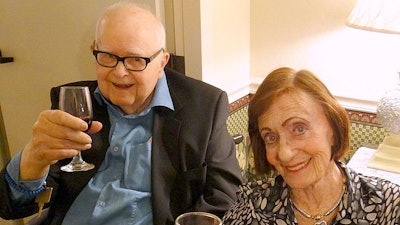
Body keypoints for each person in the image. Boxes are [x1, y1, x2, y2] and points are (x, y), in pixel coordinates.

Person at [0, 2, 242, 225]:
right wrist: (34, 159)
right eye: (107, 57)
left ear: (162, 63)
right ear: (93, 52)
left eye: (136, 60)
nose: (119, 72)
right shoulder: (74, 105)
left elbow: (226, 197)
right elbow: (11, 207)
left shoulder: (204, 107)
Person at [222, 67, 400, 224]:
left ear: (333, 128)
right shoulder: (249, 206)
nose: (284, 153)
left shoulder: (389, 206)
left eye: (299, 128)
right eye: (270, 137)